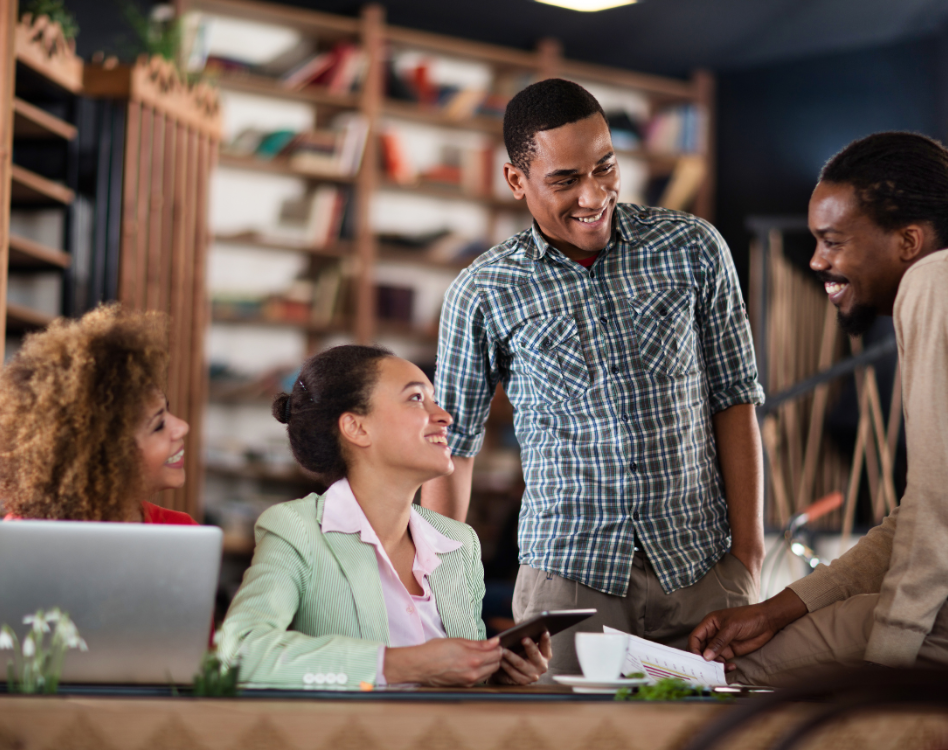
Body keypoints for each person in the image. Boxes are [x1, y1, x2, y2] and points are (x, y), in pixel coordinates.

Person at [421, 78, 765, 677]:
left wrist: (748, 554)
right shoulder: (481, 291)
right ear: (516, 181)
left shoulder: (694, 248)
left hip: (703, 573)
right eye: (564, 180)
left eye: (605, 168)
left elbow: (735, 401)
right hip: (568, 584)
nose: (593, 194)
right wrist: (449, 604)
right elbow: (451, 449)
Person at [689, 131, 948, 686]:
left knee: (713, 674)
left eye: (833, 241)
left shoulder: (932, 282)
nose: (815, 261)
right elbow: (918, 516)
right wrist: (775, 609)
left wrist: (888, 658)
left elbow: (938, 509)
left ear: (908, 241)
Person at [219, 345, 550, 689]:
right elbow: (239, 654)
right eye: (416, 399)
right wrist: (403, 664)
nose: (443, 416)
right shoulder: (297, 529)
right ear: (356, 428)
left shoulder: (459, 543)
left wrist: (494, 673)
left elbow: (462, 684)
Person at [0, 304, 194, 526]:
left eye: (167, 409)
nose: (182, 426)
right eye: (158, 425)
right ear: (103, 456)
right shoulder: (18, 537)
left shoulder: (183, 531)